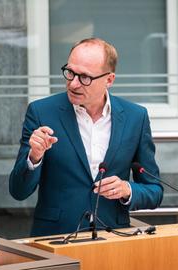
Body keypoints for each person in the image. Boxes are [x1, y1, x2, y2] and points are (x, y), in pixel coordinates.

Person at [9, 38, 163, 237]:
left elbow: (155, 191)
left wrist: (127, 189)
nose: (73, 83)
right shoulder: (41, 112)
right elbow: (18, 191)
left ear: (109, 80)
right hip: (56, 238)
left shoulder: (136, 117)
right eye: (70, 72)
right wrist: (34, 157)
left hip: (114, 239)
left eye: (85, 77)